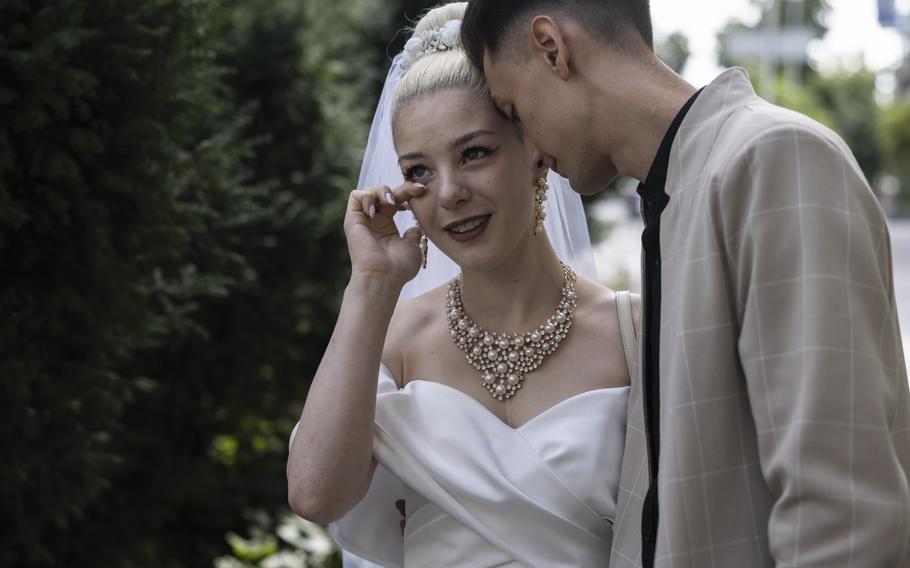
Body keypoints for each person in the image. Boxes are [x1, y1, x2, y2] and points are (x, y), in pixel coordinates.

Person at [460, 1, 910, 567]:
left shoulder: (774, 158)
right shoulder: (674, 199)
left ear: (553, 48)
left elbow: (843, 516)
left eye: (514, 110)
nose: (528, 151)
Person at [286, 3, 641, 566]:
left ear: (535, 150)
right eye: (418, 172)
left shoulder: (636, 334)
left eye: (474, 153)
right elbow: (314, 493)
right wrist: (371, 286)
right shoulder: (393, 337)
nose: (448, 193)